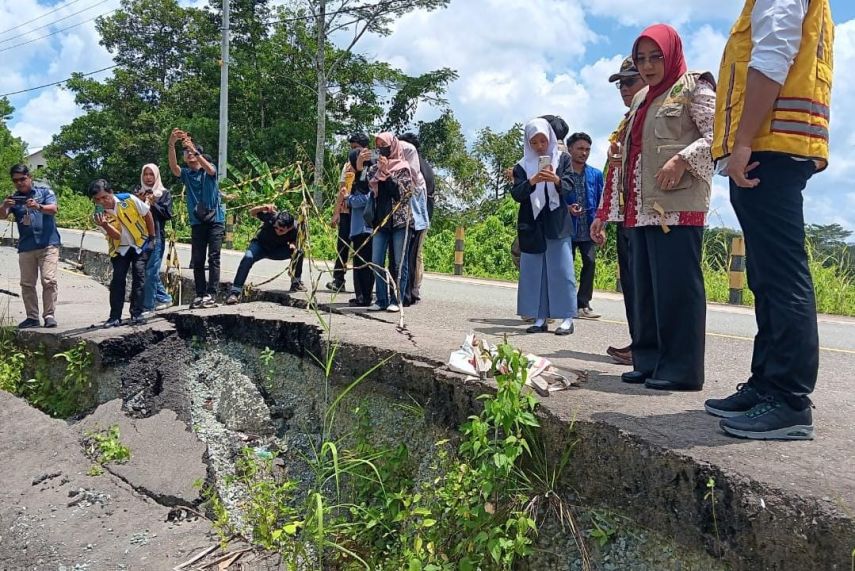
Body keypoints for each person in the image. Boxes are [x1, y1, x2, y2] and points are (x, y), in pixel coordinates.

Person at [705, 0, 833, 440]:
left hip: (768, 144)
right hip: (775, 143)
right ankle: (766, 384)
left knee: (780, 274)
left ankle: (790, 400)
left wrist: (742, 142)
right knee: (766, 273)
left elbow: (773, 55)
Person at [613, 24, 716, 391]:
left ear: (671, 53)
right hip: (641, 209)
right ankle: (650, 359)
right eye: (641, 59)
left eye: (655, 57)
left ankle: (682, 370)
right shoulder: (643, 99)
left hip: (678, 207)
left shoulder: (695, 87)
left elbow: (717, 136)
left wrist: (682, 160)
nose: (648, 66)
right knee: (644, 289)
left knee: (677, 289)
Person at [591, 56, 647, 366]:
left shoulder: (652, 117)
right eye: (620, 84)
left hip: (649, 214)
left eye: (630, 81)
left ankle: (648, 346)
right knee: (631, 283)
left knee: (644, 285)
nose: (624, 88)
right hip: (625, 215)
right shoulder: (625, 122)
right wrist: (603, 214)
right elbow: (613, 173)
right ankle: (639, 342)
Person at [511, 118, 576, 336]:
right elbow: (517, 194)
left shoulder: (563, 159)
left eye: (542, 141)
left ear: (549, 139)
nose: (539, 147)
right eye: (534, 143)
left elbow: (569, 187)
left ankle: (567, 317)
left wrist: (555, 180)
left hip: (557, 222)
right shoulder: (522, 166)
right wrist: (532, 181)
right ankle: (539, 317)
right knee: (534, 272)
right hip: (532, 223)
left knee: (562, 270)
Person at [168, 128, 226, 308]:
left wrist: (194, 148)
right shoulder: (186, 174)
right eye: (186, 152)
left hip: (215, 220)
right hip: (197, 221)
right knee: (198, 260)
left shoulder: (209, 170)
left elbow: (209, 169)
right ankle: (200, 294)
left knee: (214, 257)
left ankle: (212, 293)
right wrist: (171, 143)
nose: (188, 154)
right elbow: (174, 167)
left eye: (190, 152)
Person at [88, 179, 156, 327]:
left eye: (104, 197)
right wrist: (105, 225)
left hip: (140, 243)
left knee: (140, 276)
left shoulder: (129, 199)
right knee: (118, 280)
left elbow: (147, 214)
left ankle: (136, 314)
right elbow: (116, 235)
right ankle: (114, 317)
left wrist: (152, 238)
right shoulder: (98, 216)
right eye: (97, 200)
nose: (102, 202)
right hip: (120, 248)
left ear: (111, 193)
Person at [0, 165, 60, 329]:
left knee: (49, 280)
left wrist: (38, 206)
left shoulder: (44, 192)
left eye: (22, 179)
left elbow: (54, 209)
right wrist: (5, 205)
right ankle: (32, 317)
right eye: (15, 181)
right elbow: (2, 215)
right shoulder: (14, 198)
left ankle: (49, 315)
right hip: (26, 246)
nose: (19, 183)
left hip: (48, 244)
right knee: (27, 283)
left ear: (29, 177)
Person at [367, 133, 416, 313]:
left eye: (384, 145)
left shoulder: (404, 168)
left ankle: (397, 299)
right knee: (376, 260)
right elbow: (369, 187)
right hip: (380, 222)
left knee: (399, 263)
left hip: (400, 222)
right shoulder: (374, 169)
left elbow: (401, 194)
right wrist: (373, 168)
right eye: (378, 145)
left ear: (392, 146)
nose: (381, 149)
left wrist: (387, 174)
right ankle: (381, 299)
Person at [225, 205, 304, 304]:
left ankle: (296, 282)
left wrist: (293, 244)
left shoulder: (297, 228)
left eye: (281, 230)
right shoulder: (272, 217)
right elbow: (252, 212)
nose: (277, 231)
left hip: (277, 250)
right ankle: (235, 292)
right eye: (276, 227)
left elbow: (297, 240)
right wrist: (263, 208)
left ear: (290, 228)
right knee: (248, 258)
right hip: (260, 246)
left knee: (299, 252)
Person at [565, 132, 604, 319]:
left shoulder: (595, 174)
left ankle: (583, 303)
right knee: (566, 266)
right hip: (567, 228)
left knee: (590, 262)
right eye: (580, 148)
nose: (584, 153)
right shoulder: (561, 174)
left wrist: (601, 226)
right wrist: (567, 208)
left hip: (589, 228)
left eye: (587, 149)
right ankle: (565, 303)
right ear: (569, 149)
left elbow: (601, 202)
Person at [327, 132, 369, 293]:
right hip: (346, 211)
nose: (353, 151)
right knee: (343, 246)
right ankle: (338, 279)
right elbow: (342, 189)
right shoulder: (347, 165)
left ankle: (365, 285)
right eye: (351, 148)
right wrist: (336, 212)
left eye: (356, 148)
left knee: (363, 248)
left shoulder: (371, 165)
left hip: (362, 212)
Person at [397, 133, 430, 307]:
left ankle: (410, 291)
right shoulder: (424, 167)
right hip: (414, 218)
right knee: (412, 256)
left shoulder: (418, 170)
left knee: (411, 256)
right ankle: (411, 290)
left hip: (415, 218)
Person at [137, 164, 173, 314]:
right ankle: (164, 298)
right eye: (146, 174)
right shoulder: (138, 191)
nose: (148, 178)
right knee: (146, 270)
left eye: (151, 174)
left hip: (156, 236)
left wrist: (153, 204)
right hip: (139, 236)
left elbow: (167, 214)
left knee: (151, 271)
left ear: (156, 176)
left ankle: (148, 305)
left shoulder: (163, 194)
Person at [346, 148, 375, 307]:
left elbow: (366, 198)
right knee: (359, 264)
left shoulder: (367, 177)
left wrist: (349, 200)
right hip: (357, 227)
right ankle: (361, 296)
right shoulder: (358, 177)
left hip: (365, 227)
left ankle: (365, 297)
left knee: (364, 264)